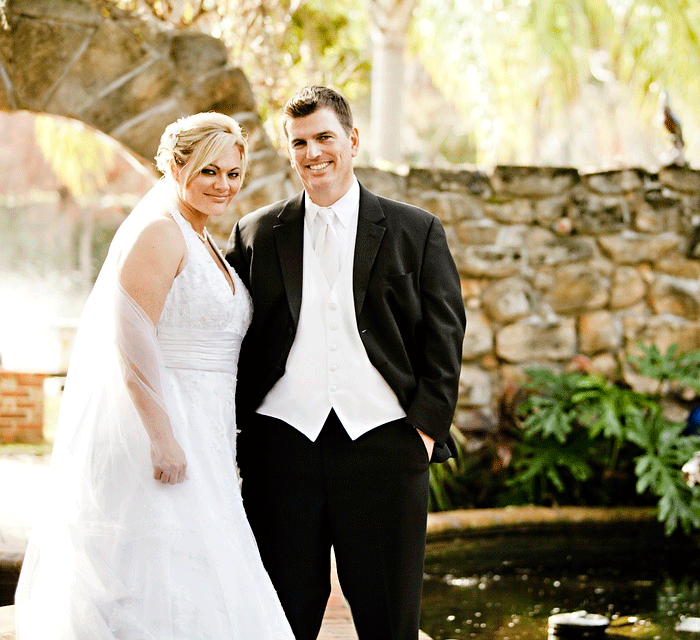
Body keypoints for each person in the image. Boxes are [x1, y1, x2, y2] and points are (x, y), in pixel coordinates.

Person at [15, 112, 295, 640]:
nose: (223, 184)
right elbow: (132, 337)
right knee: (166, 562)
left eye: (233, 173)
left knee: (209, 558)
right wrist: (163, 438)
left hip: (210, 428)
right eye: (209, 170)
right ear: (174, 166)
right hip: (168, 423)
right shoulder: (160, 233)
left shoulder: (205, 241)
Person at [227, 86, 466, 640]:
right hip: (281, 448)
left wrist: (424, 431)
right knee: (280, 620)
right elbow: (231, 338)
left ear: (352, 140)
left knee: (390, 619)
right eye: (299, 143)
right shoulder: (256, 232)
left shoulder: (416, 230)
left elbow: (445, 335)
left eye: (324, 138)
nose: (313, 153)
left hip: (386, 443)